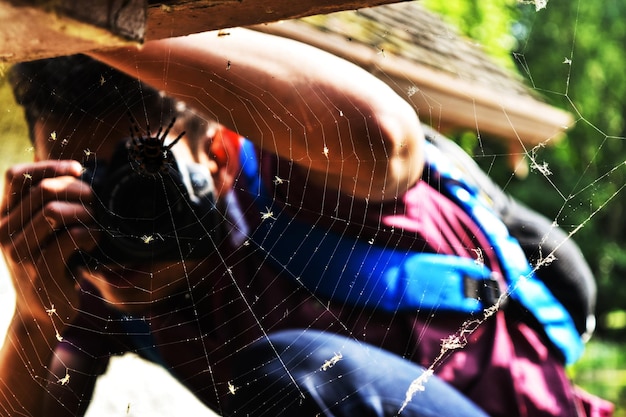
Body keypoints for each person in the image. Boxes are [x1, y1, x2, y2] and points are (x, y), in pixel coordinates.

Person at [0, 28, 612, 416]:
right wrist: (31, 319)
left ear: (216, 154)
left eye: (137, 181)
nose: (112, 221)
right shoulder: (84, 253)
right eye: (77, 183)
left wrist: (84, 25)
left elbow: (383, 133)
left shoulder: (298, 167)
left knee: (294, 373)